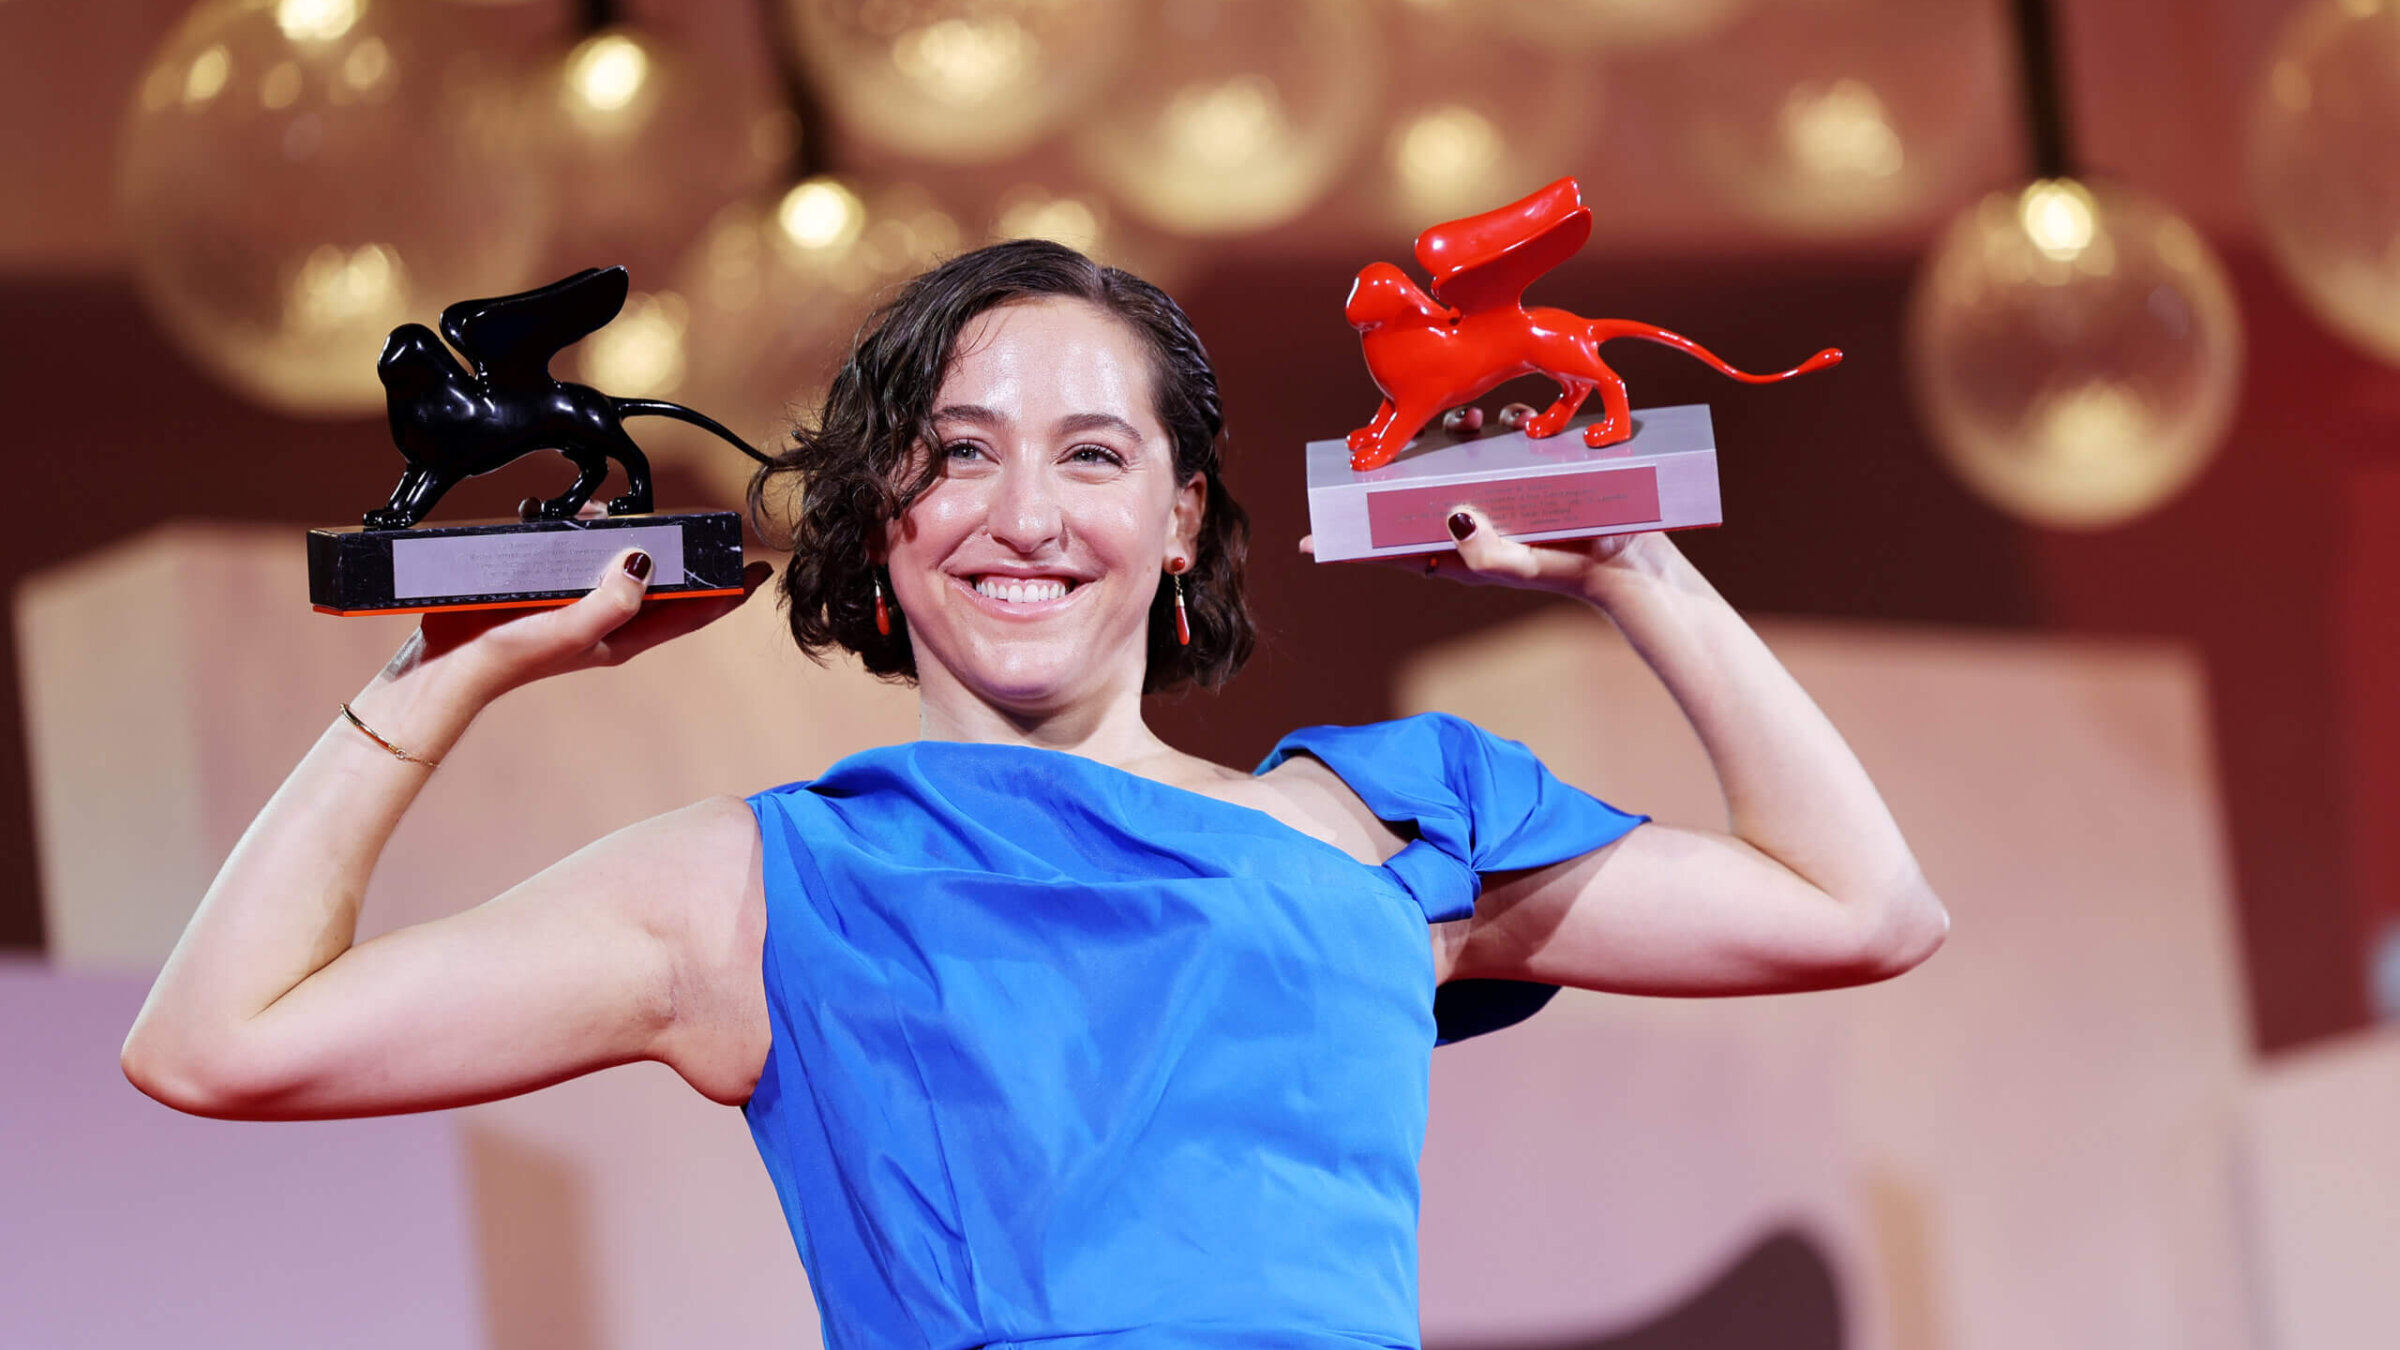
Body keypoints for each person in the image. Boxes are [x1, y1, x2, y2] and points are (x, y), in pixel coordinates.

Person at [122, 240, 1946, 1349]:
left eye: (1094, 454)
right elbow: (221, 1037)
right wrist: (444, 667)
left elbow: (1861, 906)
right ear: (881, 518)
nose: (1026, 515)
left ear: (1181, 523)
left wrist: (1632, 561)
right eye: (957, 456)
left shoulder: (1386, 834)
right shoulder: (768, 889)